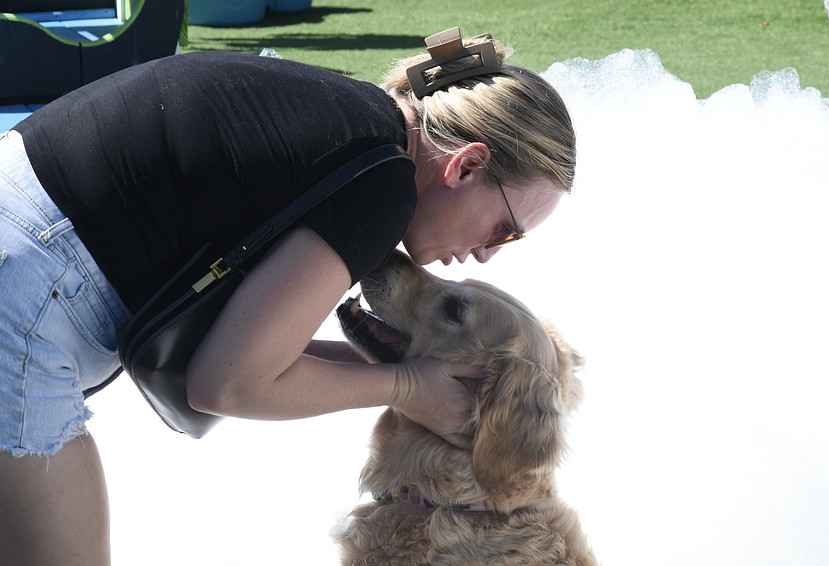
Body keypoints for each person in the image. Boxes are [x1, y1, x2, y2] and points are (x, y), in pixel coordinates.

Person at [0, 28, 576, 565]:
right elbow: (225, 384)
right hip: (27, 290)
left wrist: (406, 369)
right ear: (466, 166)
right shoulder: (381, 189)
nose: (486, 255)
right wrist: (406, 386)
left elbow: (246, 352)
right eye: (504, 230)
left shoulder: (355, 126)